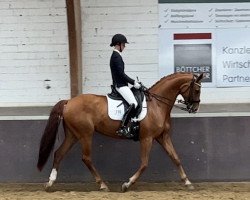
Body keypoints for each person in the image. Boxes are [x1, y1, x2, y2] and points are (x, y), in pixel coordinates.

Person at [109, 33, 141, 137]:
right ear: (118, 44)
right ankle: (123, 127)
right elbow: (121, 74)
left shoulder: (117, 55)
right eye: (123, 44)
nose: (124, 46)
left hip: (121, 84)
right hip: (120, 85)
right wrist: (134, 83)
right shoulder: (116, 56)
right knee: (134, 103)